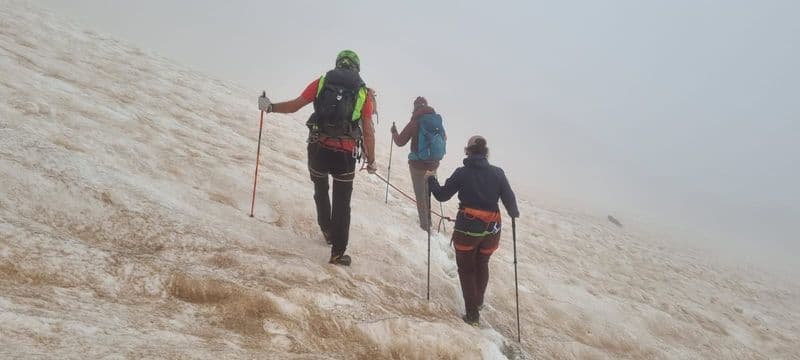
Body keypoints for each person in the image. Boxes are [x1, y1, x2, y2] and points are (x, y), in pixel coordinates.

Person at [258, 50, 377, 266]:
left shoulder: (322, 82)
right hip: (345, 155)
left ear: (338, 64)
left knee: (320, 190)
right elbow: (368, 130)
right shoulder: (363, 92)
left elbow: (295, 105)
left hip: (318, 149)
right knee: (342, 204)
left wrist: (271, 107)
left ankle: (327, 231)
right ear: (356, 68)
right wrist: (371, 161)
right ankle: (338, 253)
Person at [427, 135, 519, 326]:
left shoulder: (463, 172)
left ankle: (472, 315)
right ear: (485, 152)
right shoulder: (498, 173)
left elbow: (442, 195)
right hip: (492, 229)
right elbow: (510, 200)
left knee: (467, 269)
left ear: (468, 150)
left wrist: (431, 181)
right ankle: (477, 302)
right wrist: (513, 212)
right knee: (482, 263)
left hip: (468, 229)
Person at [391, 96, 445, 231]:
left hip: (417, 165)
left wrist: (394, 132)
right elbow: (443, 139)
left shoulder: (414, 123)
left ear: (415, 107)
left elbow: (400, 142)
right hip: (433, 164)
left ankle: (425, 227)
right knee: (427, 192)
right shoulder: (437, 122)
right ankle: (429, 221)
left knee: (420, 195)